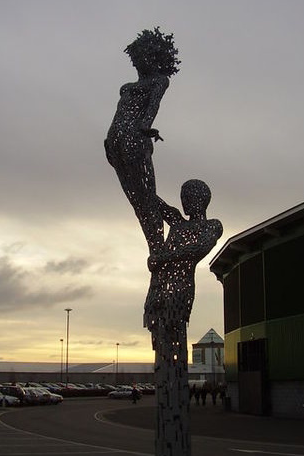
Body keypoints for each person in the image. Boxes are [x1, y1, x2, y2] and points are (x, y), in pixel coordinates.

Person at [104, 28, 180, 255]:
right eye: (135, 58)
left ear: (154, 56)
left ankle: (159, 244)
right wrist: (109, 142)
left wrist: (145, 127)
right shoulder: (125, 87)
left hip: (134, 138)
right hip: (114, 141)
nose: (138, 62)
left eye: (142, 56)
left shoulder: (159, 81)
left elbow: (153, 106)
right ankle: (158, 242)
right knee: (135, 198)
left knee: (145, 195)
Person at [144, 179, 223, 343]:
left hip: (180, 290)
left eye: (187, 197)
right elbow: (152, 199)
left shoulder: (212, 225)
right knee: (157, 335)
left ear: (201, 199)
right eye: (182, 197)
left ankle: (173, 367)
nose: (184, 202)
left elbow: (200, 248)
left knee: (174, 332)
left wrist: (162, 258)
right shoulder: (177, 221)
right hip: (158, 288)